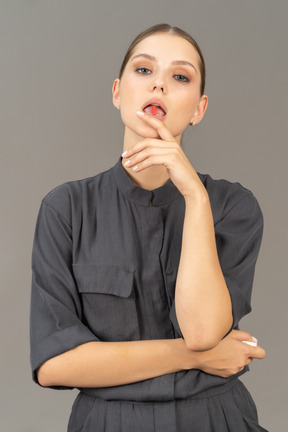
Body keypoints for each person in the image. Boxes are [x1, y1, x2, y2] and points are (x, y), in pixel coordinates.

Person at [30, 23, 268, 431]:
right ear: (118, 92)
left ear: (199, 109)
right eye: (144, 70)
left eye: (179, 77)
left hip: (217, 420)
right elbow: (55, 364)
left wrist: (194, 196)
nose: (158, 85)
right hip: (109, 423)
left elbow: (201, 331)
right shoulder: (65, 209)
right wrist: (194, 358)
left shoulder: (233, 207)